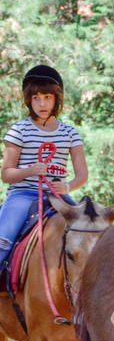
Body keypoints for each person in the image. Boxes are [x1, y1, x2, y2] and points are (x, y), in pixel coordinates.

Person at [0, 64, 88, 267]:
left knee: (88, 230)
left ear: (57, 98)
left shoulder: (69, 133)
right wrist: (30, 171)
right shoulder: (19, 130)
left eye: (47, 97)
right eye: (36, 97)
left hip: (58, 196)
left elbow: (82, 174)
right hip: (23, 194)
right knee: (3, 239)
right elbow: (6, 174)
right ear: (29, 100)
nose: (42, 103)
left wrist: (67, 187)